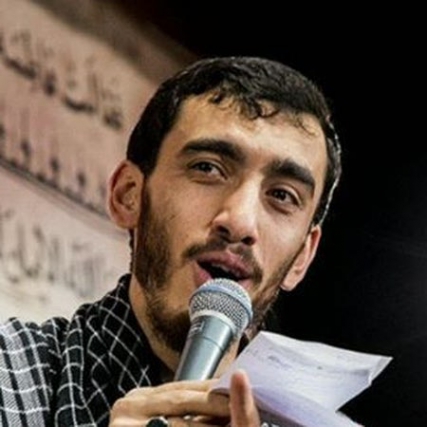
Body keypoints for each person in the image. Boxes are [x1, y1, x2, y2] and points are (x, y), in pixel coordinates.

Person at [0, 56, 342, 426]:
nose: (240, 222)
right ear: (128, 195)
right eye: (208, 168)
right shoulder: (10, 374)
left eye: (282, 195)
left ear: (302, 258)